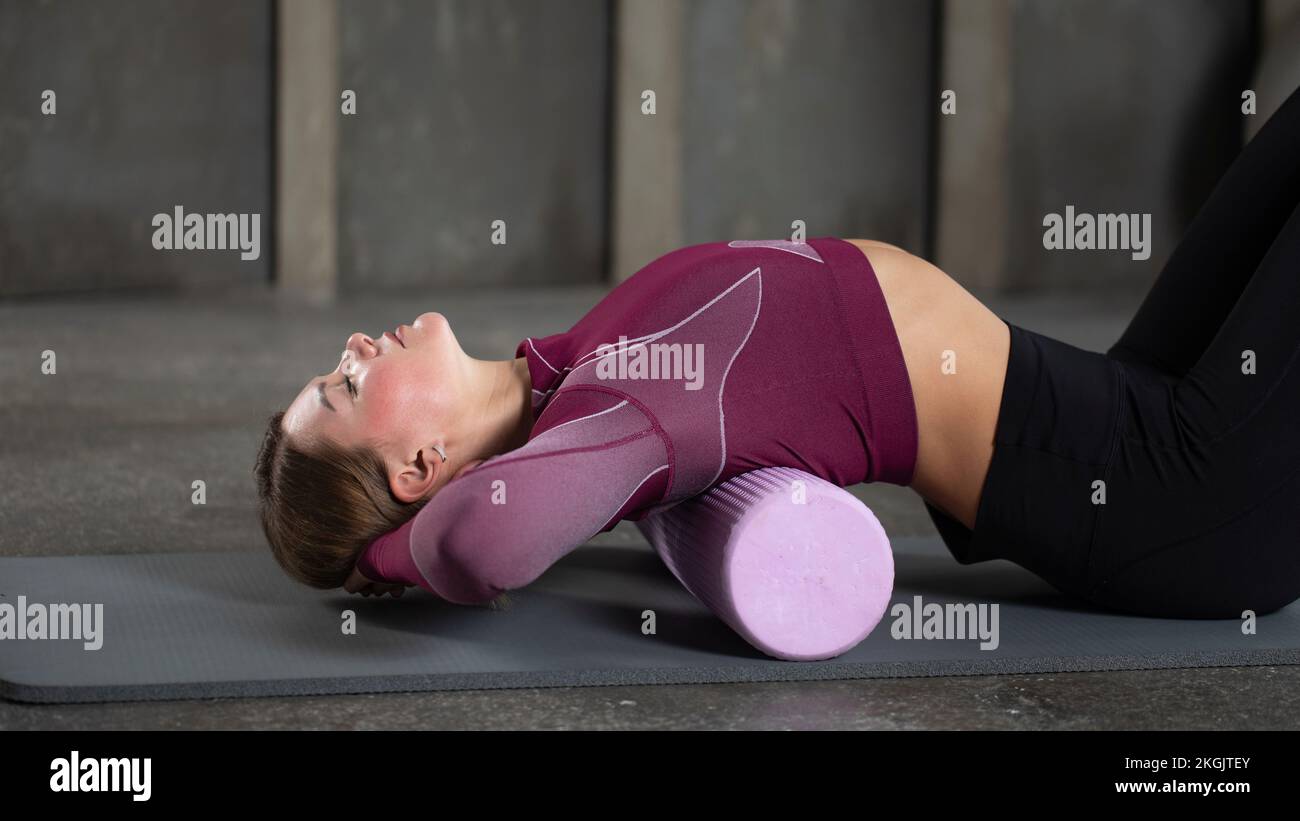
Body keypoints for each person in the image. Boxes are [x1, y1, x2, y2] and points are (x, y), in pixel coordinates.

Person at [255, 86, 1300, 619]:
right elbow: (484, 545)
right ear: (422, 466)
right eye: (345, 386)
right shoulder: (613, 421)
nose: (354, 348)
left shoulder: (572, 368)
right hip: (1191, 490)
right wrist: (381, 552)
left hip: (1140, 412)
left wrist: (372, 542)